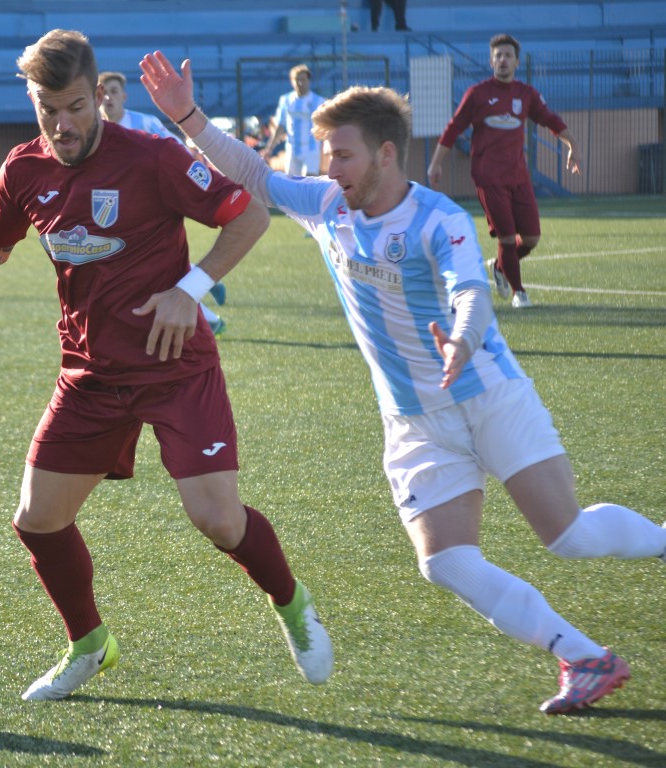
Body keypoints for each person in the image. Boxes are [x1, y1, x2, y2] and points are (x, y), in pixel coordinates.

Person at [140, 50, 666, 715]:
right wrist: (186, 115)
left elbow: (471, 292)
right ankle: (585, 657)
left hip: (486, 396)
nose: (329, 170)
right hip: (413, 419)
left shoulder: (437, 219)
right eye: (328, 156)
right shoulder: (330, 206)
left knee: (568, 536)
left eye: (343, 156)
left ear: (386, 156)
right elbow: (253, 174)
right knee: (444, 560)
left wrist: (463, 339)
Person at [0, 30, 334, 702]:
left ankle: (292, 604)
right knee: (37, 519)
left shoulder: (149, 156)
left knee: (219, 521)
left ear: (98, 96)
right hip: (89, 376)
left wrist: (191, 290)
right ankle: (90, 645)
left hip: (176, 369)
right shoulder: (23, 169)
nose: (63, 124)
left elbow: (249, 216)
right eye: (47, 109)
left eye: (76, 107)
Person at [427, 34, 581, 309]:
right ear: (491, 61)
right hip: (489, 177)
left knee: (531, 237)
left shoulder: (526, 94)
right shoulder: (477, 94)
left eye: (508, 55)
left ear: (517, 62)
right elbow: (453, 128)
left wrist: (572, 144)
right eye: (498, 55)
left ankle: (499, 266)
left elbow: (550, 120)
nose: (503, 60)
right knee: (507, 238)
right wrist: (436, 162)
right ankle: (518, 293)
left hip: (519, 177)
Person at [99, 70, 230, 334]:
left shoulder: (144, 123)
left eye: (114, 91)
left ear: (124, 96)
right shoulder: (96, 133)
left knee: (155, 272)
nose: (109, 98)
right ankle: (205, 288)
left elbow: (177, 151)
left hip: (153, 208)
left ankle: (209, 318)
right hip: (120, 213)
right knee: (152, 271)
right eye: (103, 93)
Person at [260, 64, 326, 177]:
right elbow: (281, 126)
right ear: (292, 81)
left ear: (309, 81)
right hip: (292, 149)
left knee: (309, 181)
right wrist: (269, 148)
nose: (300, 83)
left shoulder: (318, 101)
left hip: (311, 149)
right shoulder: (285, 100)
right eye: (297, 80)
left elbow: (324, 126)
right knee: (292, 182)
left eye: (303, 80)